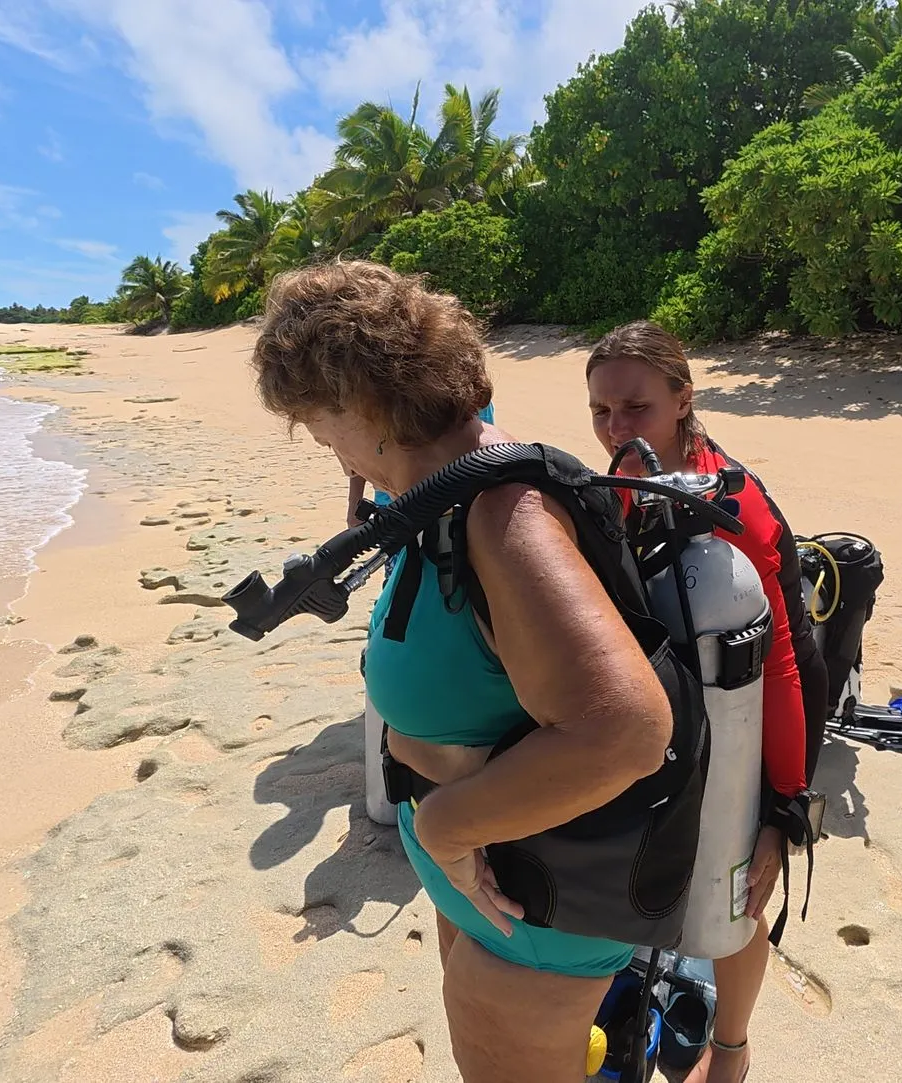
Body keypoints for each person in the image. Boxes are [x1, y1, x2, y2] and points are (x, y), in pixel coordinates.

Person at [253, 261, 674, 1083]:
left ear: (361, 404)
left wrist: (447, 830)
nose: (320, 442)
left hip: (538, 909)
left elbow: (626, 728)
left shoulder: (500, 512)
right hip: (494, 883)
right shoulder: (439, 497)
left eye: (316, 420)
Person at [584, 320, 828, 1083]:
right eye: (600, 411)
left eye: (636, 408)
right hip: (676, 710)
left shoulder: (738, 508)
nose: (616, 430)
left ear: (683, 399)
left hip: (759, 704)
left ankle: (731, 1048)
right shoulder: (623, 489)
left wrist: (782, 811)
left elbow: (788, 667)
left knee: (738, 902)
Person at [347, 403, 495, 527]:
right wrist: (355, 503)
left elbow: (483, 455)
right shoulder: (379, 391)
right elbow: (361, 450)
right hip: (393, 511)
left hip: (458, 513)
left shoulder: (470, 391)